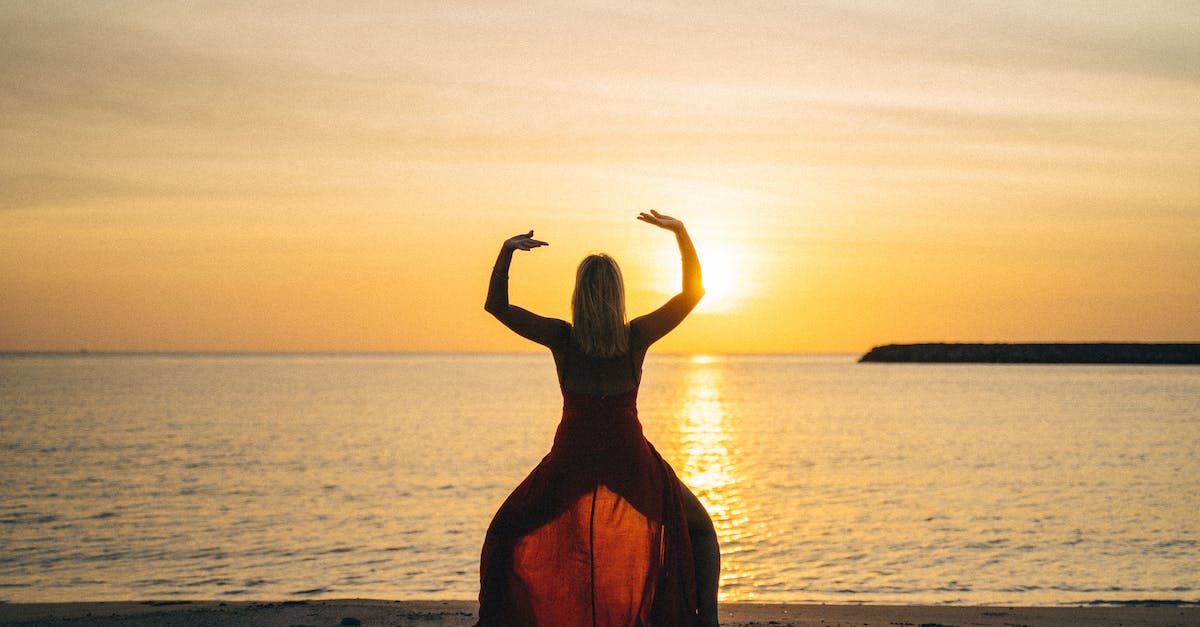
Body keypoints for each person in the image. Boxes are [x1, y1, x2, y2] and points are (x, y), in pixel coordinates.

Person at [476, 211, 721, 626]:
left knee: (504, 532)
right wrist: (680, 233)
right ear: (618, 295)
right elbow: (692, 293)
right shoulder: (635, 338)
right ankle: (708, 622)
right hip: (630, 463)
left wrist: (506, 252)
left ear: (578, 296)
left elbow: (496, 306)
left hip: (571, 463)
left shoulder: (563, 339)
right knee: (699, 530)